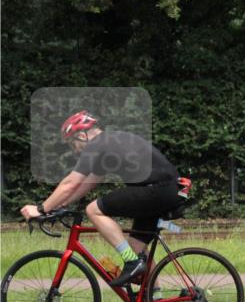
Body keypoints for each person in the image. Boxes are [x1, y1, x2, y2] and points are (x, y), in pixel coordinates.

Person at [19, 110, 186, 287]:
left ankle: (131, 262)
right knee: (137, 246)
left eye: (72, 142)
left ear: (83, 135)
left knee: (93, 210)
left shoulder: (97, 144)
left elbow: (71, 182)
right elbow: (89, 181)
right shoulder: (110, 142)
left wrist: (40, 208)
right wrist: (62, 203)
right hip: (167, 190)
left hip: (156, 190)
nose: (74, 149)